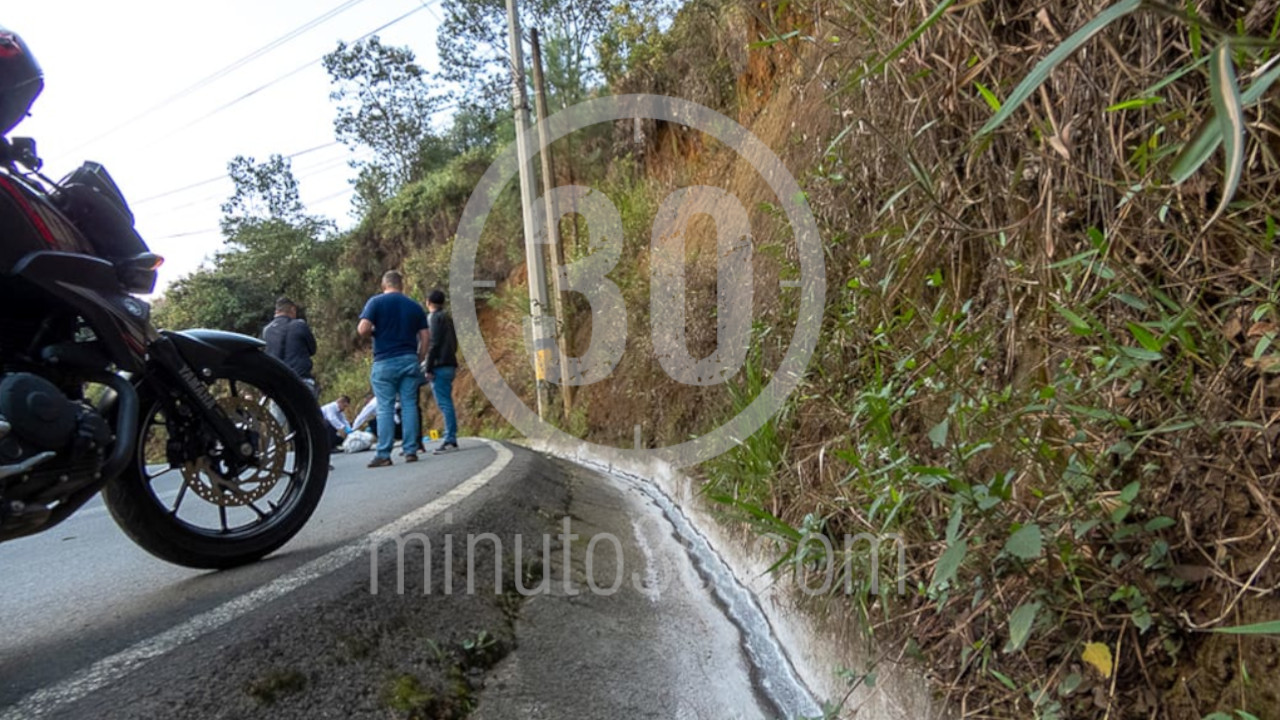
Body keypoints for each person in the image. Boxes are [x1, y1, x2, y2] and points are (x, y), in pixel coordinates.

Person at [357, 271, 428, 467]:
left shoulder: (376, 302)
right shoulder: (413, 305)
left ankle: (384, 454)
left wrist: (374, 332)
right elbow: (425, 336)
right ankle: (411, 450)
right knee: (409, 405)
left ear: (383, 285)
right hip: (408, 359)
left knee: (385, 407)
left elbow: (362, 329)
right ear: (401, 285)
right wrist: (419, 356)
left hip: (384, 361)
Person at [423, 288, 459, 454]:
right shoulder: (448, 318)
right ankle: (450, 436)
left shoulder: (433, 318)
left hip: (440, 365)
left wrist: (428, 367)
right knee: (447, 402)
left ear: (428, 302)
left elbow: (433, 344)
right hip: (450, 363)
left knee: (444, 403)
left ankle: (450, 438)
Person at [262, 297, 318, 397]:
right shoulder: (299, 325)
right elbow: (313, 349)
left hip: (276, 385)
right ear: (292, 309)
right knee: (304, 412)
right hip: (300, 381)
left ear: (276, 311)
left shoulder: (267, 330)